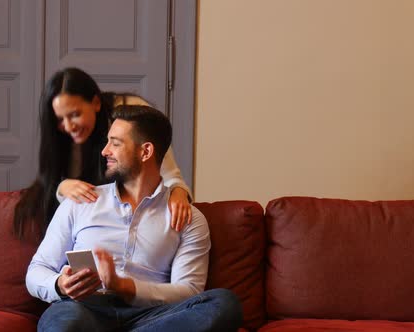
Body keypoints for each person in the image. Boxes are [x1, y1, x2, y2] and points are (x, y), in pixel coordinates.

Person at [25, 105, 242, 331]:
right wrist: (60, 284)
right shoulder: (79, 203)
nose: (105, 151)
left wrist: (124, 286)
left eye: (116, 143)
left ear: (145, 152)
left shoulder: (188, 217)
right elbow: (37, 270)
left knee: (223, 304)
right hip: (85, 309)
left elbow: (188, 290)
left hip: (152, 316)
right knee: (62, 321)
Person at [13, 67, 192, 239]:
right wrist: (61, 188)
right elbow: (54, 184)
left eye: (75, 114)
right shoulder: (65, 136)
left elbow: (169, 174)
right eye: (60, 119)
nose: (68, 127)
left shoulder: (130, 116)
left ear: (96, 103)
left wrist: (178, 192)